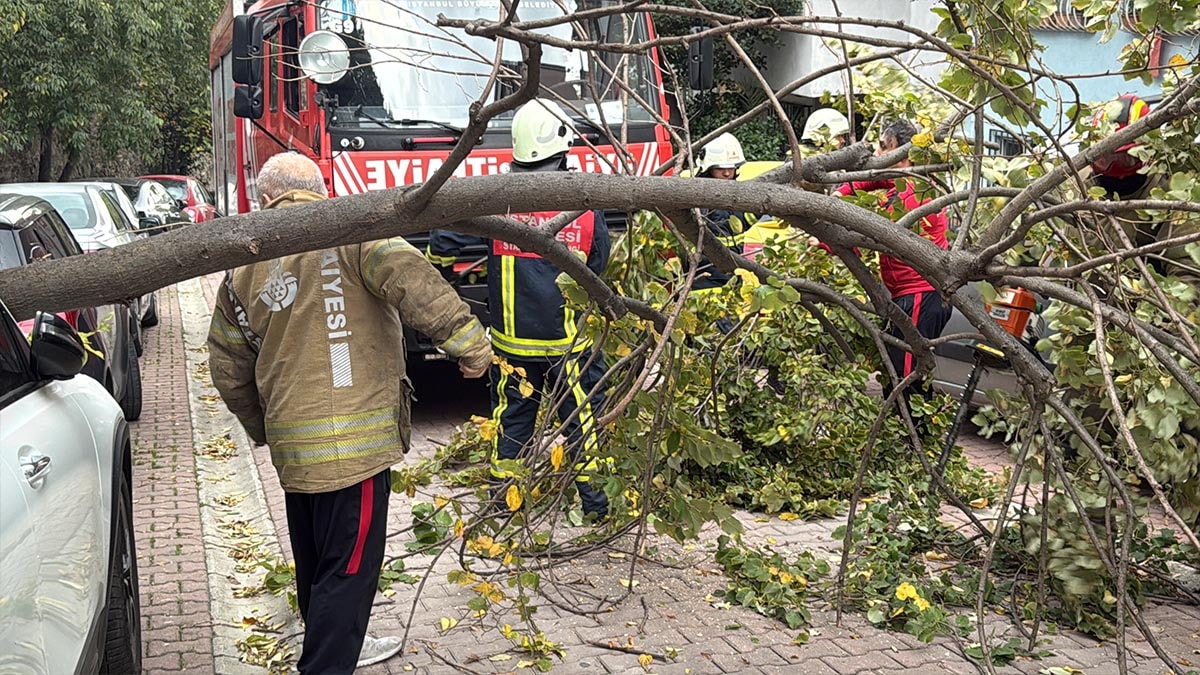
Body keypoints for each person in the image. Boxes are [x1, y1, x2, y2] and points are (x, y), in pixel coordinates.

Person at [207, 152, 493, 674]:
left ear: (265, 197)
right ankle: (326, 663)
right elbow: (414, 281)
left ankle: (333, 646)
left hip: (295, 454)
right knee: (349, 573)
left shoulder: (242, 266)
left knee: (316, 566)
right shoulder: (353, 230)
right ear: (320, 188)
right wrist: (470, 343)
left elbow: (227, 366)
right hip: (353, 453)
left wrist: (262, 426)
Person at [426, 99, 611, 521]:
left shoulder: (497, 199)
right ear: (563, 145)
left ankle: (502, 503)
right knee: (583, 425)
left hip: (511, 349)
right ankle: (596, 511)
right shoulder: (583, 205)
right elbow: (598, 268)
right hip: (568, 349)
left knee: (512, 426)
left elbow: (442, 243)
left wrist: (445, 283)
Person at [831, 119, 951, 419]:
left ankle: (913, 441)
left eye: (884, 147)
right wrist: (840, 195)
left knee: (907, 378)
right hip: (911, 296)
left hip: (920, 295)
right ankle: (906, 435)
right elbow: (865, 181)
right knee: (899, 369)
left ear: (901, 150)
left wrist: (835, 239)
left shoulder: (913, 193)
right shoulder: (900, 180)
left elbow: (874, 229)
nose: (878, 154)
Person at [1087, 93, 1199, 283]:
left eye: (1127, 159)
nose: (1117, 171)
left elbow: (1188, 274)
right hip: (1074, 303)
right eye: (1106, 158)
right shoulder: (1074, 185)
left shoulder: (1170, 196)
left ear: (1147, 153)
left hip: (1135, 308)